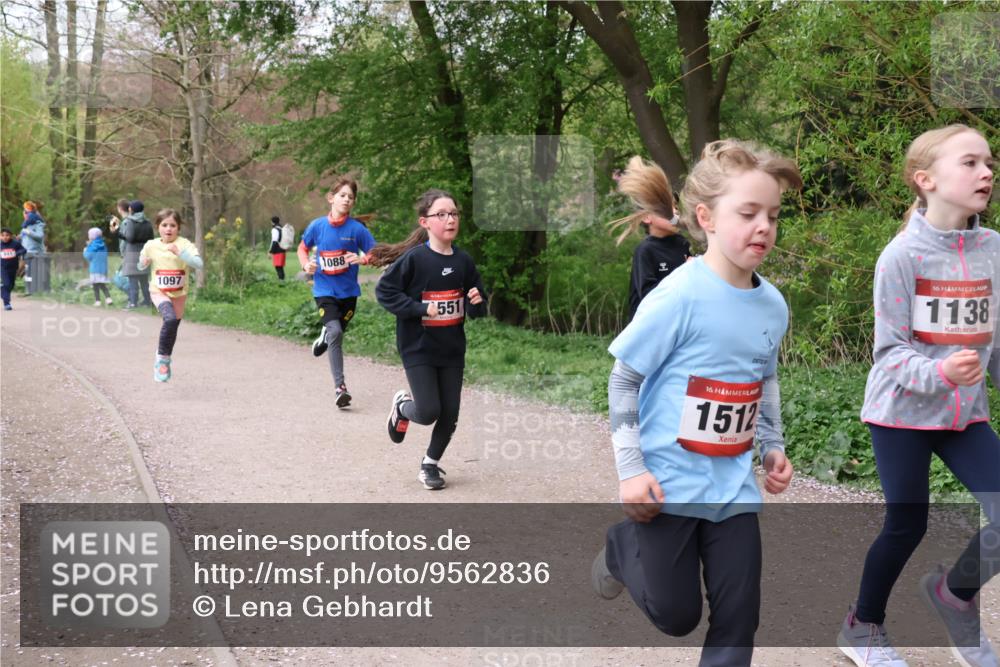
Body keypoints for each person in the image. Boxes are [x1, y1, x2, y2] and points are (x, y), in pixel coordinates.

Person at [592, 140, 801, 667]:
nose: (764, 227)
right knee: (676, 615)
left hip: (733, 486)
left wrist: (773, 447)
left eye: (773, 215)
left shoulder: (772, 305)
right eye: (748, 213)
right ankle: (622, 551)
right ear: (705, 217)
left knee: (738, 620)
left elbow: (765, 378)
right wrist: (630, 470)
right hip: (669, 484)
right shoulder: (678, 295)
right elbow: (623, 381)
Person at [837, 124, 998, 667]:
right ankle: (862, 626)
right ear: (925, 180)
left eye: (989, 163)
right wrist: (941, 372)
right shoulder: (900, 257)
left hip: (965, 416)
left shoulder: (994, 250)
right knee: (907, 523)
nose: (987, 172)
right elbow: (890, 353)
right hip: (901, 412)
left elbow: (994, 340)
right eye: (971, 162)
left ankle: (954, 595)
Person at [373, 189, 487, 491]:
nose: (450, 219)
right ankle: (402, 408)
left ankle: (430, 464)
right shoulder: (415, 259)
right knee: (427, 411)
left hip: (451, 349)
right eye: (442, 214)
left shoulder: (464, 262)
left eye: (454, 214)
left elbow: (477, 309)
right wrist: (419, 308)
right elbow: (384, 292)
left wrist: (476, 301)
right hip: (418, 347)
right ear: (425, 222)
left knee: (449, 414)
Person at [297, 176, 376, 408]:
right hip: (324, 290)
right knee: (336, 333)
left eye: (351, 197)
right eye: (342, 195)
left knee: (337, 331)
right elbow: (303, 248)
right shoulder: (317, 226)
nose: (347, 200)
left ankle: (326, 335)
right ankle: (340, 388)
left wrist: (362, 259)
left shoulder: (356, 229)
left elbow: (375, 253)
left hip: (349, 294)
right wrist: (305, 265)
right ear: (331, 198)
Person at [609, 155, 692, 321]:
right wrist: (684, 274)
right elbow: (649, 296)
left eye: (676, 207)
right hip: (650, 329)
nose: (675, 212)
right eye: (667, 208)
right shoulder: (646, 251)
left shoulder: (684, 244)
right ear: (646, 218)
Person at [138, 209, 203, 382]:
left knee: (173, 326)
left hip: (179, 293)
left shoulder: (185, 244)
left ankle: (165, 358)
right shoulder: (151, 245)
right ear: (158, 227)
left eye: (173, 225)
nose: (168, 229)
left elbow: (198, 264)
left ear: (178, 228)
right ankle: (162, 361)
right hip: (158, 291)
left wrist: (180, 253)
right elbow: (140, 265)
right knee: (170, 319)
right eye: (164, 225)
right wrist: (143, 263)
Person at [111, 200, 153, 309]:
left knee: (133, 280)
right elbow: (151, 239)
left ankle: (133, 303)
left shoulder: (129, 222)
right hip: (144, 253)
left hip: (131, 253)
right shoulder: (147, 222)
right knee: (144, 281)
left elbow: (129, 238)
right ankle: (147, 302)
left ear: (131, 209)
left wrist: (117, 233)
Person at [83, 227, 113, 306]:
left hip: (94, 269)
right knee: (102, 285)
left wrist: (86, 249)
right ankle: (108, 298)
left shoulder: (92, 246)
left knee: (95, 285)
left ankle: (98, 301)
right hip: (103, 269)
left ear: (92, 236)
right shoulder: (103, 245)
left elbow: (88, 256)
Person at [19, 201, 45, 289]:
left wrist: (28, 232)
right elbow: (24, 240)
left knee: (34, 272)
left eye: (26, 212)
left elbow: (40, 236)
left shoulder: (38, 225)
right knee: (28, 273)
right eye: (24, 212)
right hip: (26, 252)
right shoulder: (26, 226)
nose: (25, 214)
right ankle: (29, 289)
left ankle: (36, 290)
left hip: (35, 252)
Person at [1, 228, 27, 310]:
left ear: (11, 236)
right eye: (2, 235)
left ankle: (2, 289)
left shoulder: (15, 244)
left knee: (11, 285)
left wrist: (17, 253)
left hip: (13, 267)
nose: (5, 237)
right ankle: (6, 303)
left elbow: (24, 250)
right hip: (3, 267)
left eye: (7, 235)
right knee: (7, 284)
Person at [269, 215, 287, 280]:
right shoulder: (282, 228)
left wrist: (271, 251)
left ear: (272, 222)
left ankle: (281, 281)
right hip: (283, 249)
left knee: (278, 267)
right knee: (280, 267)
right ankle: (282, 280)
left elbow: (274, 241)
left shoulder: (275, 229)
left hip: (277, 251)